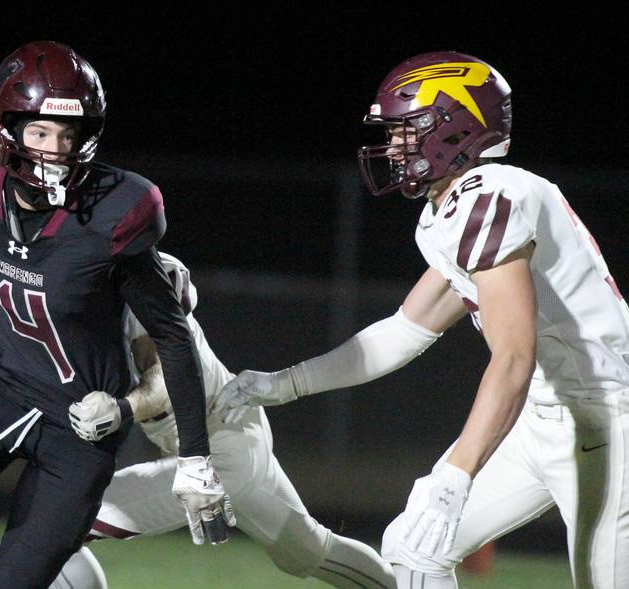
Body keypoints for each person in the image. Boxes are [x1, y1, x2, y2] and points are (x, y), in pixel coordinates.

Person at [216, 51, 629, 589]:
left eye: (407, 130)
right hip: (547, 419)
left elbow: (514, 357)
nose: (393, 145)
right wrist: (285, 383)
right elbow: (401, 332)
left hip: (608, 421)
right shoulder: (451, 211)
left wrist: (456, 474)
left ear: (454, 131)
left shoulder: (494, 195)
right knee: (413, 546)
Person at [0, 40, 233, 589]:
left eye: (69, 133)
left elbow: (173, 338)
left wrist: (196, 460)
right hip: (0, 389)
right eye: (39, 132)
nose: (54, 149)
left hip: (80, 424)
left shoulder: (113, 212)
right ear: (3, 129)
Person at [0, 252, 398, 589]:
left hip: (219, 453)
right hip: (232, 438)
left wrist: (122, 408)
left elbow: (162, 380)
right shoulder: (66, 292)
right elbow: (42, 356)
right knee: (307, 553)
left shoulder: (142, 301)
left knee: (52, 526)